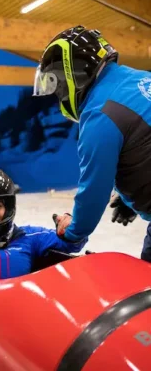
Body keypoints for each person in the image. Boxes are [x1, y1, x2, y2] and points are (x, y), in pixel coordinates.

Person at [33, 25, 151, 261]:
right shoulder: (141, 78)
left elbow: (94, 190)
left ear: (72, 76)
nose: (60, 96)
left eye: (59, 88)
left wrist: (72, 232)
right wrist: (129, 198)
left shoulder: (100, 114)